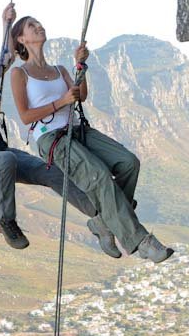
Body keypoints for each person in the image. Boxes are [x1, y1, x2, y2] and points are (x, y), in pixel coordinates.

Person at [0, 4, 122, 256]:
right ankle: (6, 220)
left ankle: (101, 216)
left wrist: (6, 24)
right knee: (4, 159)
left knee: (51, 170)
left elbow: (7, 57)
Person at [9, 15, 174, 263]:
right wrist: (61, 102)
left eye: (39, 23)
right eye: (32, 26)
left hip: (77, 130)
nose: (39, 26)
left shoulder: (59, 70)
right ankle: (141, 242)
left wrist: (79, 67)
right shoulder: (20, 74)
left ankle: (102, 222)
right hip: (51, 138)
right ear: (21, 39)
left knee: (128, 162)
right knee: (99, 176)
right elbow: (25, 116)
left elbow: (81, 95)